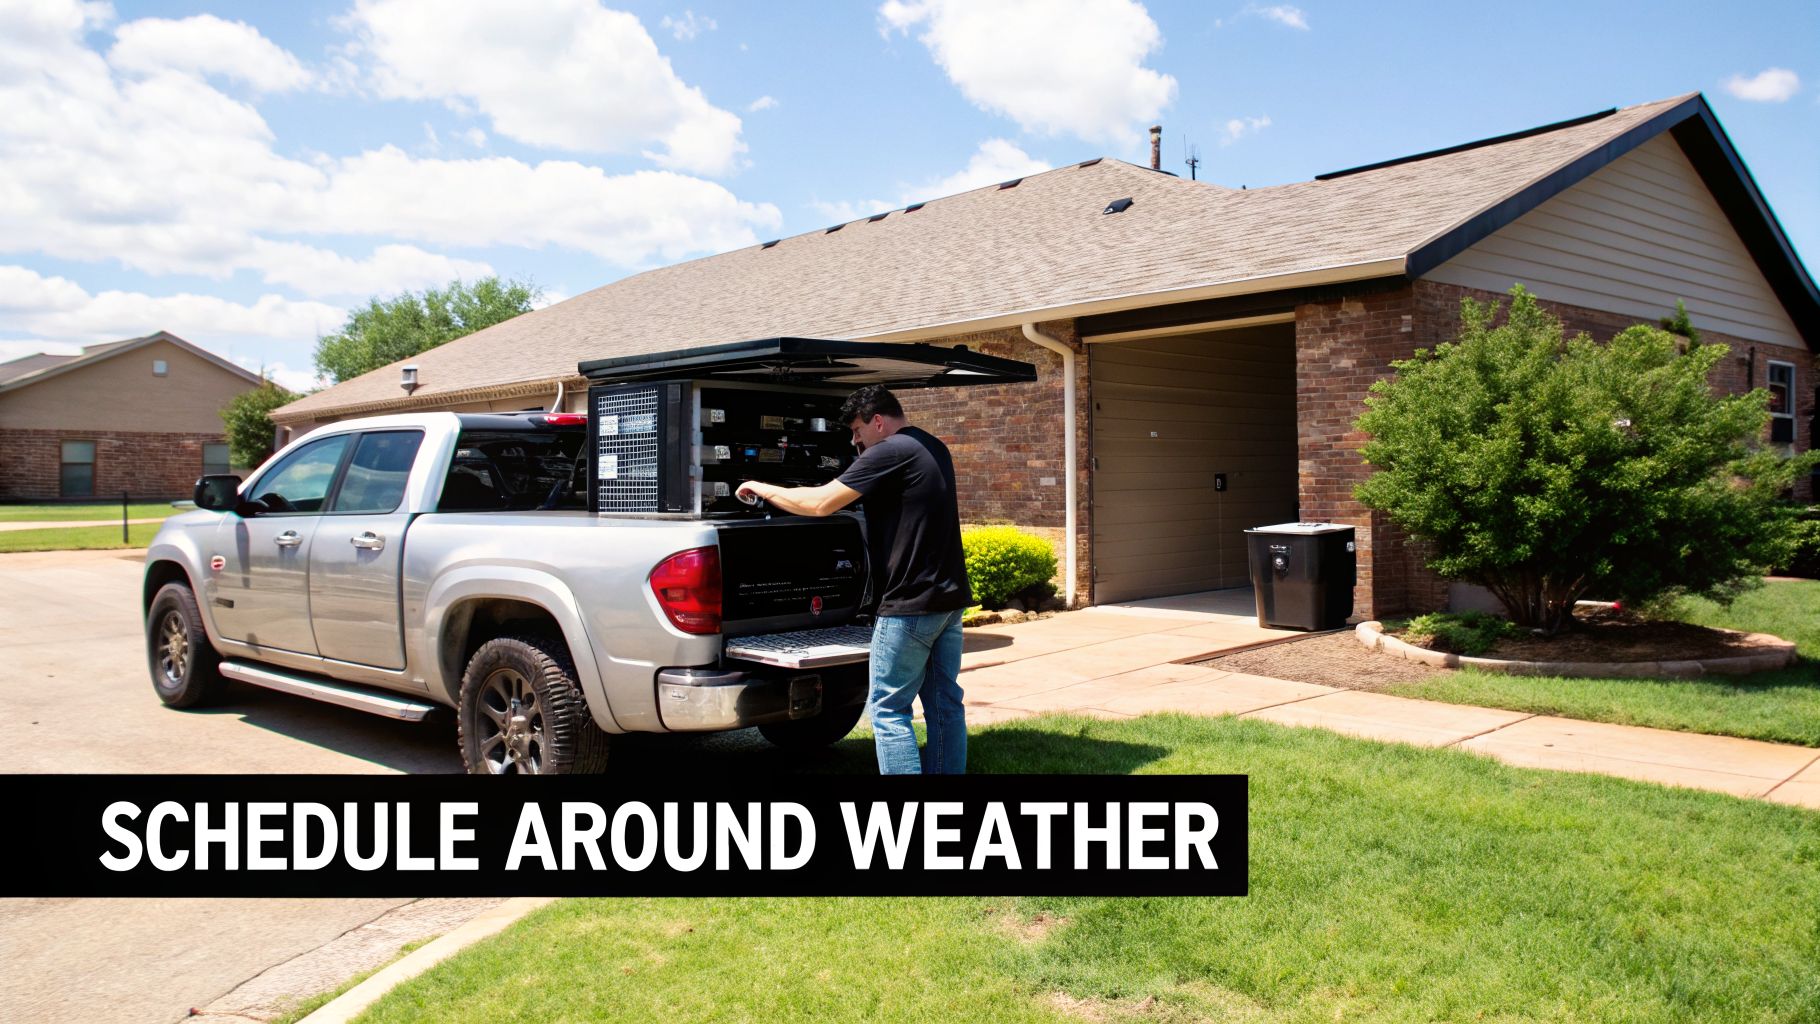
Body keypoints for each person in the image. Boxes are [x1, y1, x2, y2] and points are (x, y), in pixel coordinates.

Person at [735, 385, 970, 774]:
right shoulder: (931, 446)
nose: (854, 440)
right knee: (945, 705)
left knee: (889, 710)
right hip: (946, 602)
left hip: (908, 607)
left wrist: (760, 486)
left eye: (858, 430)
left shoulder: (890, 450)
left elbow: (819, 503)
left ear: (878, 421)